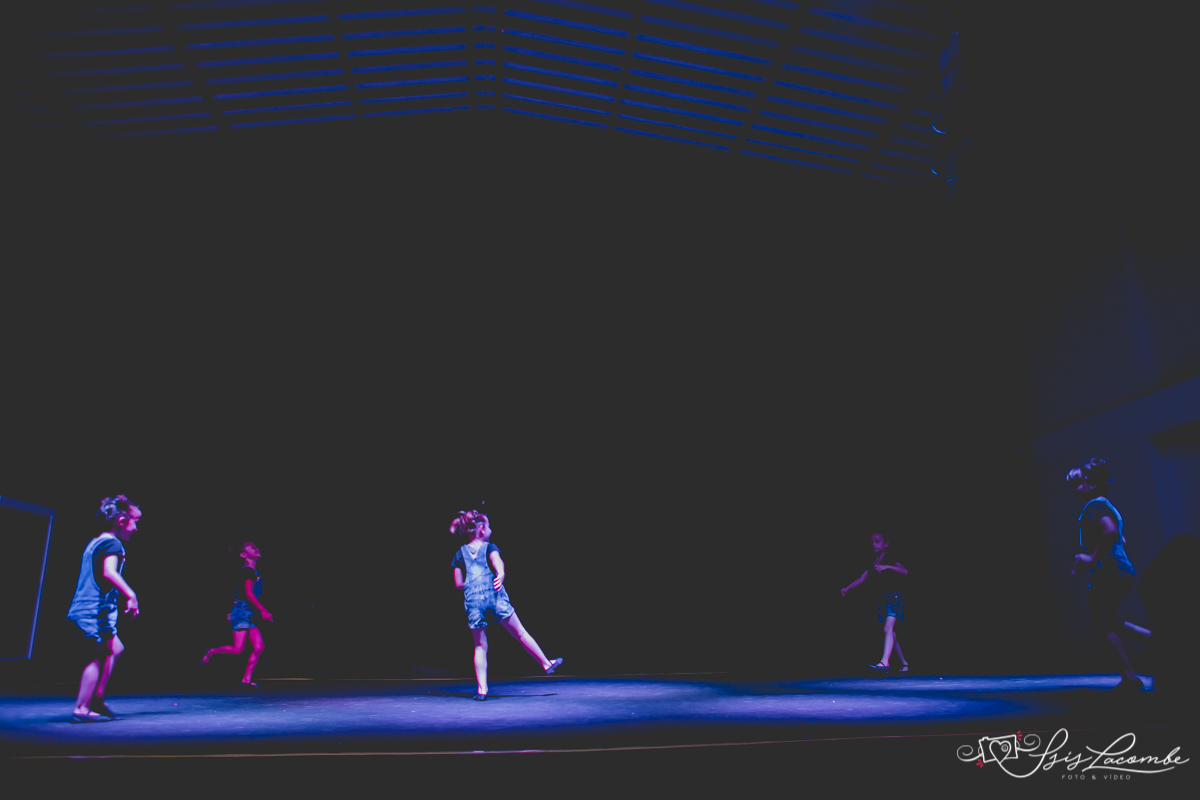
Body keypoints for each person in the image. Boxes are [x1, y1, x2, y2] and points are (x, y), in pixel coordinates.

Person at [449, 510, 562, 700]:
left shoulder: (459, 553)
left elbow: (458, 583)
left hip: (473, 602)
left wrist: (472, 586)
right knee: (520, 633)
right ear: (481, 529)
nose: (491, 530)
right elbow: (498, 565)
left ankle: (482, 690)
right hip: (494, 597)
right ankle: (545, 663)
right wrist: (500, 575)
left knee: (479, 646)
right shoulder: (490, 547)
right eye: (489, 526)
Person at [1067, 457, 1150, 692]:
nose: (1074, 489)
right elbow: (1121, 538)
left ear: (1092, 483)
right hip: (1121, 571)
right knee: (1104, 622)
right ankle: (1155, 640)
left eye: (1078, 483)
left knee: (1100, 624)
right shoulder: (1107, 506)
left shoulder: (1092, 507)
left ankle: (1129, 677)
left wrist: (1091, 558)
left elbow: (1111, 532)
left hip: (1110, 573)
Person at [66, 495, 141, 722]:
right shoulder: (112, 544)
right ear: (121, 521)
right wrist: (131, 595)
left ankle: (96, 698)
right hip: (92, 610)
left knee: (115, 648)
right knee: (97, 656)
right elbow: (109, 572)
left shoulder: (96, 542)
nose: (136, 528)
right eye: (135, 521)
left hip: (92, 609)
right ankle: (81, 708)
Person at [200, 541, 273, 687]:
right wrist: (262, 610)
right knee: (238, 649)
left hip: (247, 612)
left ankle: (246, 680)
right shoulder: (247, 571)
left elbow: (240, 592)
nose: (257, 549)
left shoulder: (252, 572)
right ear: (244, 554)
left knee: (259, 647)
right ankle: (212, 651)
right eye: (253, 548)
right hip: (243, 612)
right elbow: (248, 593)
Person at [841, 532, 910, 675]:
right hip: (882, 600)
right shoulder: (872, 562)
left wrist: (887, 567)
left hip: (894, 597)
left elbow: (905, 571)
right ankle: (904, 663)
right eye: (872, 542)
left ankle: (884, 663)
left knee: (887, 629)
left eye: (877, 541)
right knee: (891, 634)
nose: (873, 544)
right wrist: (847, 588)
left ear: (886, 544)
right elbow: (862, 578)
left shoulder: (890, 558)